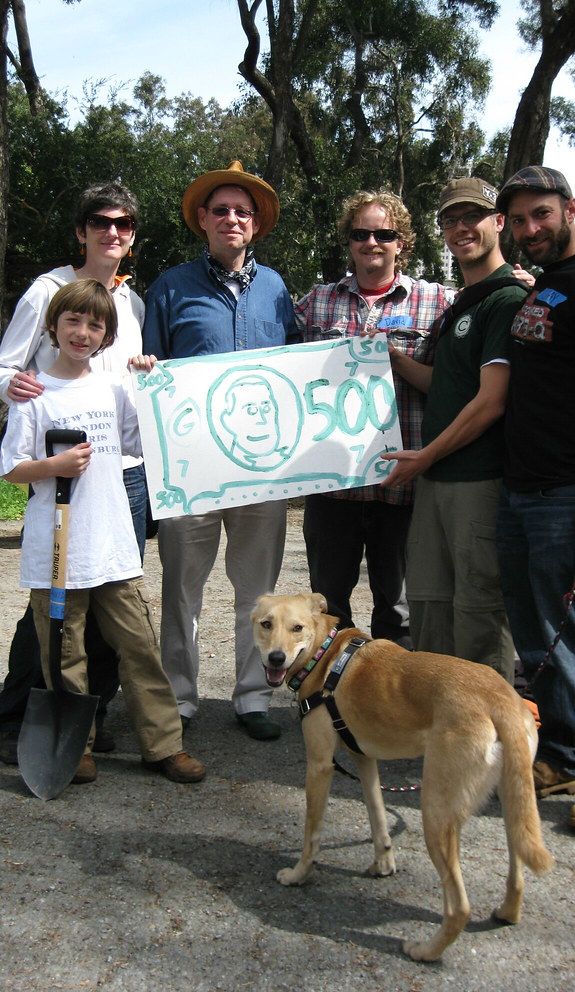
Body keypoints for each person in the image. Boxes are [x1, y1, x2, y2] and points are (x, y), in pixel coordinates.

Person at [0, 279, 205, 785]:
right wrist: (55, 464)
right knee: (64, 653)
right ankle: (78, 742)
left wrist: (147, 382)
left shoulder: (114, 389)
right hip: (56, 550)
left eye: (95, 324)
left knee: (138, 648)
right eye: (72, 321)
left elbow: (151, 437)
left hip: (111, 545)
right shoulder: (34, 393)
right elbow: (11, 468)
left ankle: (162, 745)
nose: (83, 332)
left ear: (108, 336)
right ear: (53, 327)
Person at [143, 160, 300, 740]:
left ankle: (252, 695)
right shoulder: (170, 287)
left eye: (242, 211)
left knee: (256, 594)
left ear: (254, 225)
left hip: (262, 470)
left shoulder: (278, 288)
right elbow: (149, 374)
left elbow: (293, 376)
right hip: (191, 470)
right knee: (182, 588)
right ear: (202, 221)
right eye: (221, 210)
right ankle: (179, 698)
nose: (231, 218)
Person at [0, 182, 147, 766]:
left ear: (132, 237)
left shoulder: (132, 303)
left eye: (124, 224)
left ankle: (93, 716)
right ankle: (17, 714)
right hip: (60, 469)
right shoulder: (47, 290)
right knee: (55, 600)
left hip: (122, 471)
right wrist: (16, 387)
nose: (112, 231)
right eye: (100, 221)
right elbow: (8, 365)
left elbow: (132, 387)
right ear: (82, 230)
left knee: (114, 599)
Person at [381, 177, 530, 683]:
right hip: (437, 482)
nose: (461, 227)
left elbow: (490, 403)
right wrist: (393, 359)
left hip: (477, 481)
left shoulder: (507, 300)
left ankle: (485, 733)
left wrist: (424, 456)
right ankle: (436, 721)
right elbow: (446, 385)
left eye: (473, 216)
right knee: (429, 603)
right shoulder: (460, 304)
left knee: (479, 608)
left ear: (498, 222)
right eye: (450, 220)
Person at [295, 188, 454, 646]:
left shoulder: (437, 301)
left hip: (402, 487)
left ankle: (393, 710)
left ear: (401, 241)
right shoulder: (316, 303)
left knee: (399, 612)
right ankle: (331, 708)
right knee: (327, 611)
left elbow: (448, 384)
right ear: (349, 241)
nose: (372, 242)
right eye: (361, 233)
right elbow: (271, 368)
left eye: (384, 233)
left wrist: (527, 287)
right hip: (334, 489)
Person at [494, 165, 575, 803]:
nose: (530, 229)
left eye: (542, 215)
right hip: (521, 488)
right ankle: (557, 753)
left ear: (570, 210)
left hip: (564, 493)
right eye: (519, 220)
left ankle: (569, 754)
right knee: (535, 634)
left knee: (562, 632)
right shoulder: (544, 287)